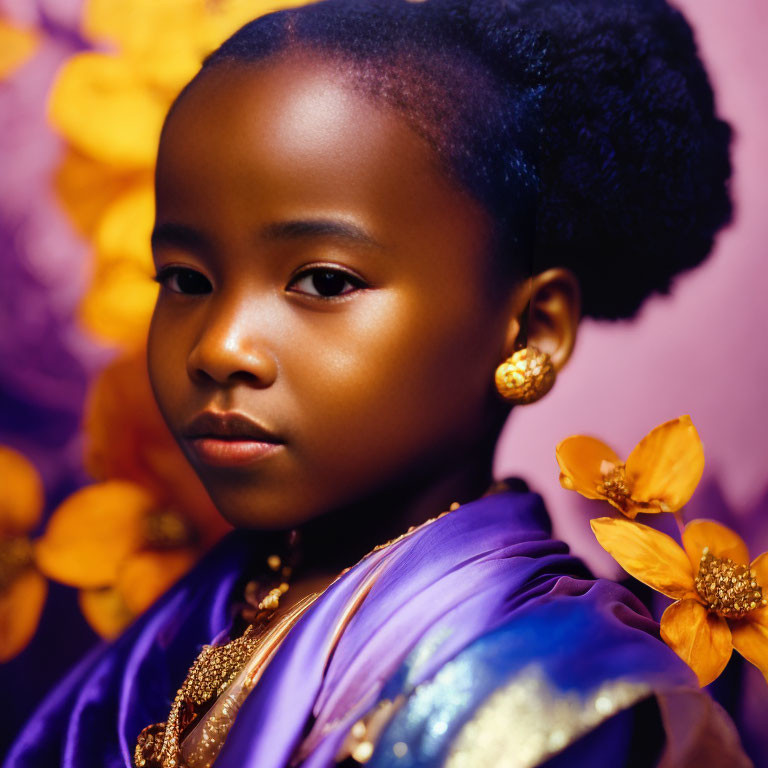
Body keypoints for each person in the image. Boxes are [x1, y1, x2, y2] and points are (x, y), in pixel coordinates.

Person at [6, 0, 747, 766]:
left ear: (531, 329)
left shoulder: (554, 696)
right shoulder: (202, 616)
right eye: (185, 279)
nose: (219, 347)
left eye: (323, 282)